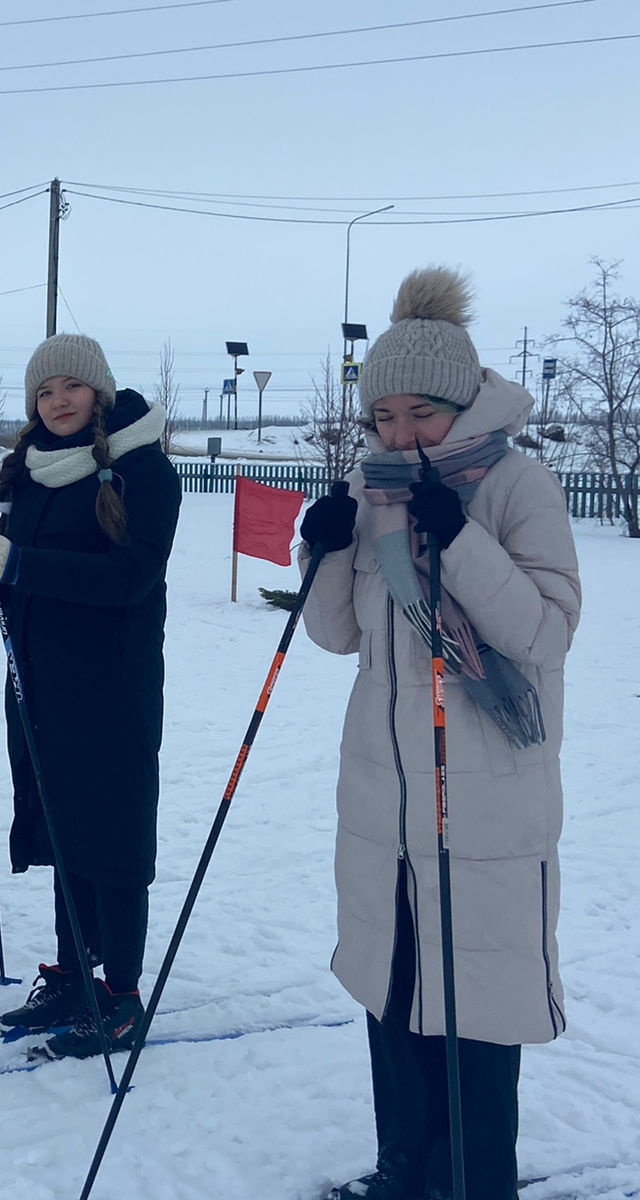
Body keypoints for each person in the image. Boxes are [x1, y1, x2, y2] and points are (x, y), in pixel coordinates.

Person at [299, 268, 581, 1200]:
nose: (399, 435)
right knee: (394, 999)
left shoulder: (518, 486)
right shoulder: (373, 489)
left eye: (418, 413)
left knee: (474, 1014)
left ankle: (466, 1185)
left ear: (461, 404)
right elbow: (339, 633)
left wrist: (457, 538)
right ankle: (401, 1174)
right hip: (385, 801)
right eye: (383, 416)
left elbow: (544, 631)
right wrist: (328, 542)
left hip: (485, 799)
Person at [0, 334, 180, 1060]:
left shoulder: (143, 473)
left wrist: (18, 563)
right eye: (45, 392)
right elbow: (13, 572)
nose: (59, 401)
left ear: (100, 392)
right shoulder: (34, 475)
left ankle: (123, 994)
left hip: (110, 686)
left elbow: (129, 578)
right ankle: (74, 973)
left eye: (72, 387)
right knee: (64, 832)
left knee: (111, 836)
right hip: (38, 681)